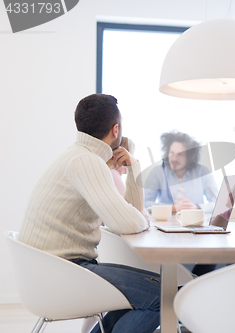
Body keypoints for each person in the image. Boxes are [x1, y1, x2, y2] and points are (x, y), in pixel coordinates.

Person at [19, 94, 160, 333]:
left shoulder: (77, 156)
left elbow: (131, 218)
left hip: (49, 271)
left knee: (143, 293)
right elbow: (130, 222)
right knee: (162, 295)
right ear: (115, 130)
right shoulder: (87, 162)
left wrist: (132, 163)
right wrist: (141, 216)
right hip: (65, 271)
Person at [144, 131, 218, 213]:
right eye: (172, 153)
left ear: (189, 157)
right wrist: (173, 208)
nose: (174, 158)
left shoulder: (203, 172)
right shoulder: (157, 171)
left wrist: (196, 207)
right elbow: (145, 203)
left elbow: (217, 203)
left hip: (195, 222)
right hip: (167, 222)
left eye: (180, 154)